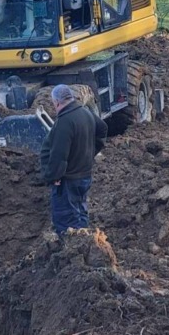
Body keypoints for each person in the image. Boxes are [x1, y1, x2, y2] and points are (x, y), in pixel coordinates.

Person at [39, 84, 107, 235]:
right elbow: (102, 129)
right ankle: (84, 246)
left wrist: (53, 177)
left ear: (56, 102)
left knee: (66, 221)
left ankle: (71, 252)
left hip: (68, 180)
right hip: (84, 175)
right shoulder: (85, 112)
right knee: (80, 214)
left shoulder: (65, 121)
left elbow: (59, 154)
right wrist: (90, 153)